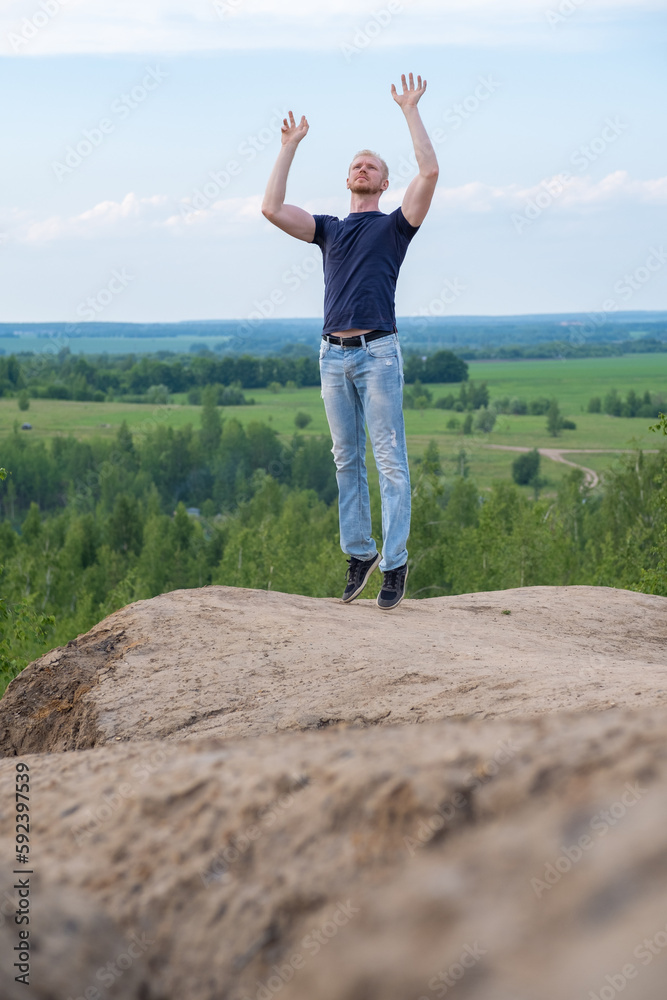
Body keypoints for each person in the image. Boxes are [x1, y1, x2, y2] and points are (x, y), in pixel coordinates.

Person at [262, 73, 438, 609]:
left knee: (389, 460)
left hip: (378, 354)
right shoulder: (329, 228)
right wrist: (289, 147)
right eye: (356, 165)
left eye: (372, 166)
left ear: (384, 184)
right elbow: (271, 209)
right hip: (332, 356)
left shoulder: (396, 226)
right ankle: (359, 552)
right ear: (348, 181)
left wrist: (409, 109)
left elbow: (429, 171)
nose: (362, 168)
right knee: (345, 459)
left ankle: (395, 563)